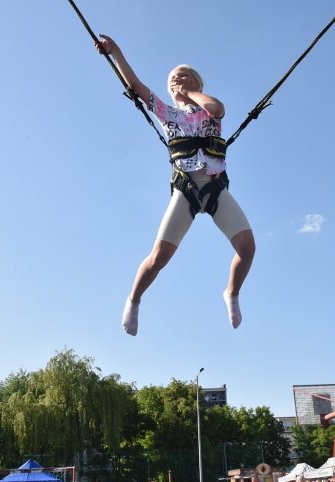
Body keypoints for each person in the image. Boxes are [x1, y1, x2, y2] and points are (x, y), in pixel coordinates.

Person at [94, 34, 256, 336]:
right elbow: (136, 87)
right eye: (172, 78)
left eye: (183, 75)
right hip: (187, 189)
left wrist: (191, 93)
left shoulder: (208, 109)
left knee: (247, 248)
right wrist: (116, 52)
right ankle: (134, 299)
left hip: (216, 188)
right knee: (159, 257)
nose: (176, 79)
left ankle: (231, 293)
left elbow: (218, 109)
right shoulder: (167, 112)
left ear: (196, 82)